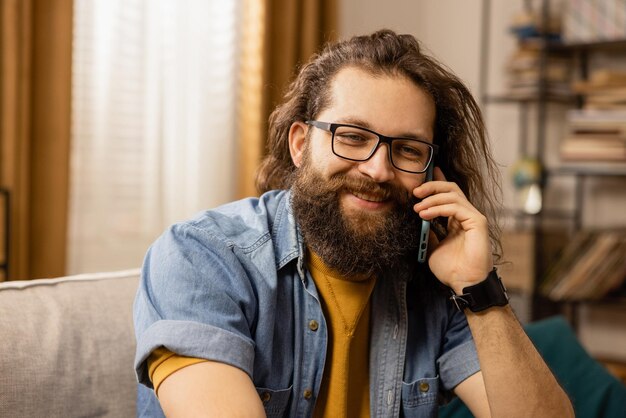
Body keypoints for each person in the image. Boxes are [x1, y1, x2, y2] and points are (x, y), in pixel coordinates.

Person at [133, 29, 574, 417]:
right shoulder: (201, 257)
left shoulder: (438, 287)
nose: (379, 170)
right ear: (301, 145)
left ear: (432, 171)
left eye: (407, 150)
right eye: (352, 138)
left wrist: (479, 289)